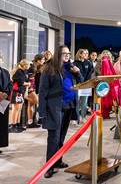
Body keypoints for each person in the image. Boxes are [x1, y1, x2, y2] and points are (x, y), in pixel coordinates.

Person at [39, 45, 83, 178]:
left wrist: (77, 71)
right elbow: (42, 91)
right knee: (54, 137)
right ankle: (49, 166)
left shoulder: (70, 67)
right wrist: (42, 111)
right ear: (58, 54)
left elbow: (81, 81)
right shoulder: (50, 69)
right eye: (64, 53)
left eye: (69, 53)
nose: (67, 56)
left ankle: (58, 160)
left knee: (62, 136)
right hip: (55, 107)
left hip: (69, 105)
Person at [9, 59, 31, 133]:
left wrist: (27, 87)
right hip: (17, 91)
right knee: (16, 108)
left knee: (20, 108)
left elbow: (27, 81)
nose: (28, 67)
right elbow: (21, 82)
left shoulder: (24, 72)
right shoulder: (19, 71)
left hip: (21, 91)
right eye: (27, 65)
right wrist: (27, 84)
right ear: (24, 65)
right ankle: (13, 124)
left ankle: (18, 124)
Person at [0, 54, 13, 153]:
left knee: (2, 124)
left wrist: (6, 93)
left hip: (4, 101)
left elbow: (10, 84)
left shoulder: (5, 72)